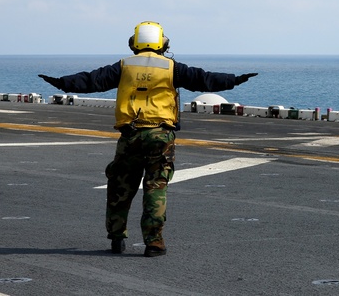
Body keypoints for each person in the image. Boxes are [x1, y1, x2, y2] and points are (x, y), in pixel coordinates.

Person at [38, 21, 258, 258]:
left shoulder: (124, 66)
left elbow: (93, 80)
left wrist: (62, 82)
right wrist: (234, 79)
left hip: (130, 135)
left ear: (134, 43)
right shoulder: (171, 67)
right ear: (163, 43)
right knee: (155, 187)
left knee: (120, 186)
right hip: (161, 135)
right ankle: (154, 242)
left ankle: (116, 236)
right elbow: (203, 79)